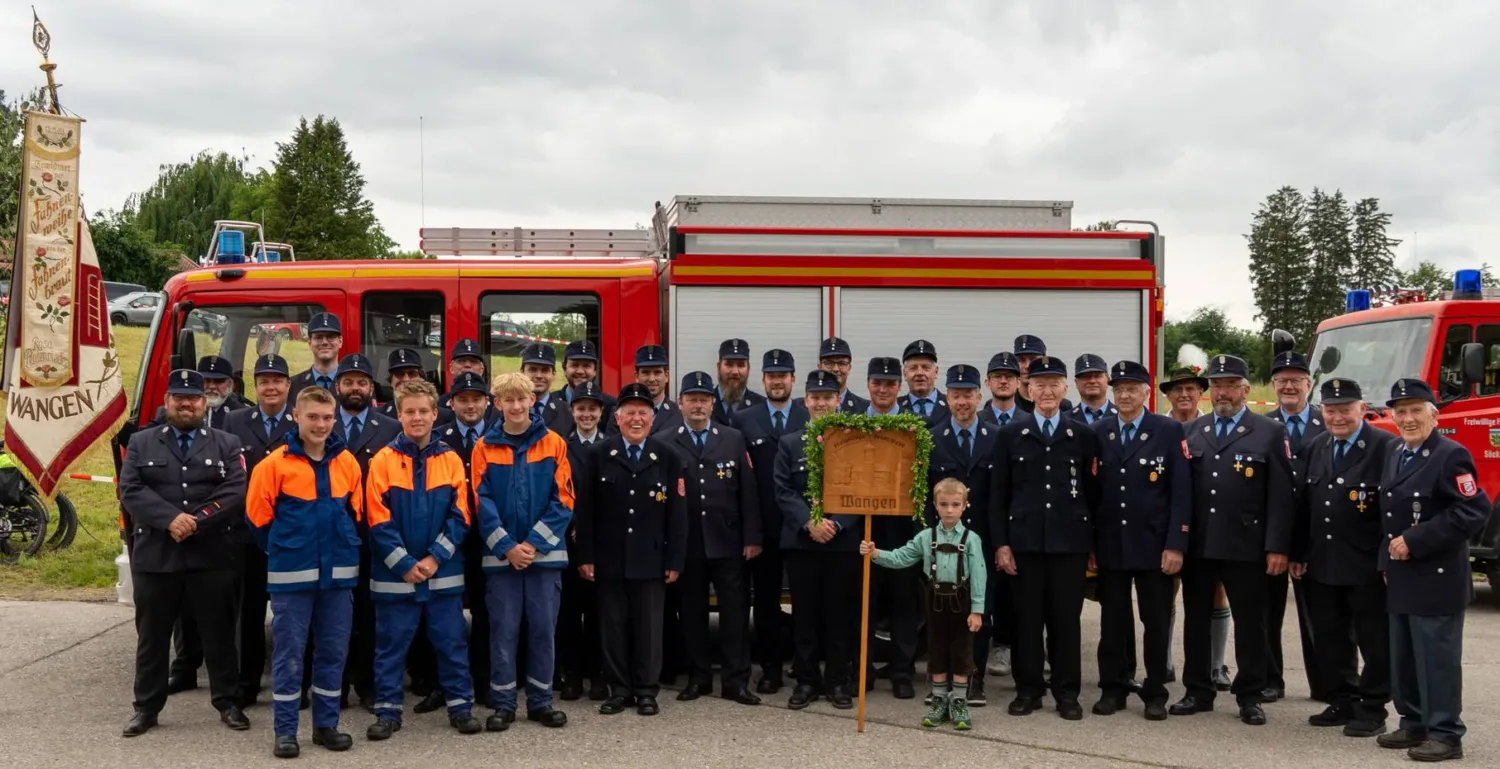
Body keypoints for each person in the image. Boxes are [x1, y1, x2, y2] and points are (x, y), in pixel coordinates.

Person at [118, 369, 249, 738]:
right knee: (152, 637)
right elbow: (130, 489)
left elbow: (235, 489)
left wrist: (195, 520)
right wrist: (170, 518)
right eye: (179, 397)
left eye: (193, 398)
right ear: (167, 402)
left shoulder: (226, 442)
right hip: (158, 554)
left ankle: (228, 702)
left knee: (220, 634)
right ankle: (146, 707)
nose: (186, 403)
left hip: (211, 553)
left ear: (203, 403)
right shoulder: (143, 442)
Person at [1172, 354, 1295, 727]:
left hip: (1247, 546)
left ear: (1245, 389)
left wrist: (1278, 546)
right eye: (1217, 385)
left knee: (1251, 622)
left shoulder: (1269, 431)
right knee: (1196, 619)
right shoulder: (1194, 430)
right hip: (1201, 545)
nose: (1223, 392)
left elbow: (1282, 495)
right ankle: (1197, 689)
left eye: (1230, 385)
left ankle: (1250, 694)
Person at [246, 386, 364, 758]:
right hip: (291, 577)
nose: (321, 425)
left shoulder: (347, 463)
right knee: (289, 655)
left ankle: (326, 726)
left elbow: (356, 515)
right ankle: (285, 731)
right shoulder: (273, 465)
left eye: (328, 417)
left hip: (338, 578)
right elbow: (256, 520)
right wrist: (286, 551)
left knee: (333, 653)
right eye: (313, 417)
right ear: (296, 417)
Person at [1376, 378, 1490, 762]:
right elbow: (1388, 515)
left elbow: (1474, 509)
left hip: (1437, 576)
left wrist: (1417, 540)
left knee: (1436, 660)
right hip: (1403, 575)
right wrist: (1386, 561)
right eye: (1401, 411)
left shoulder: (1450, 455)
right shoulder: (1395, 451)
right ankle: (1414, 722)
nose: (1407, 419)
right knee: (1405, 656)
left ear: (1434, 415)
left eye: (1415, 411)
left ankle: (1445, 733)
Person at [364, 379, 483, 740]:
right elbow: (376, 517)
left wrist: (434, 558)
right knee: (390, 646)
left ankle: (461, 708)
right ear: (398, 414)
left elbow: (461, 515)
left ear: (436, 413)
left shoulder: (449, 459)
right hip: (394, 576)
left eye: (423, 411)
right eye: (409, 411)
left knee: (451, 643)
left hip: (442, 574)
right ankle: (387, 712)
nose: (417, 417)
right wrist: (404, 563)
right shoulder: (382, 460)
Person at [989, 355, 1100, 720]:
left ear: (1065, 389)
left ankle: (1067, 694)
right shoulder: (1010, 435)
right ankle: (1028, 690)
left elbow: (1092, 492)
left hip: (1069, 544)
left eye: (1055, 383)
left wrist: (1091, 544)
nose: (1048, 390)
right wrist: (1002, 544)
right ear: (1028, 389)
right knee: (1027, 621)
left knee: (1066, 622)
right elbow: (998, 494)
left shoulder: (1081, 435)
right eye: (1040, 384)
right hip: (1024, 545)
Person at [1290, 377, 1398, 739]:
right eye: (1331, 410)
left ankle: (1373, 706)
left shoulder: (1385, 446)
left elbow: (1391, 510)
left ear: (1362, 410)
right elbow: (1305, 506)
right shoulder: (1318, 446)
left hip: (1366, 563)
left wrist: (1386, 559)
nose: (1337, 418)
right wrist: (1298, 552)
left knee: (1373, 638)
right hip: (1322, 560)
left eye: (1345, 410)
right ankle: (1342, 698)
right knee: (1331, 635)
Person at [573, 383, 688, 717]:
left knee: (649, 630)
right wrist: (586, 556)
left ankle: (646, 690)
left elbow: (677, 515)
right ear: (618, 418)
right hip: (609, 559)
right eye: (630, 413)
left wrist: (674, 559)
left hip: (651, 559)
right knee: (613, 627)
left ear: (652, 419)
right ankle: (619, 689)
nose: (636, 419)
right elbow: (586, 512)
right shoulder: (599, 455)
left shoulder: (668, 456)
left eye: (643, 413)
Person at [473, 372, 575, 730]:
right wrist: (507, 546)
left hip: (544, 559)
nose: (516, 406)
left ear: (533, 400)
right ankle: (502, 704)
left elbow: (563, 500)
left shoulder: (554, 444)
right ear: (497, 404)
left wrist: (530, 544)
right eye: (508, 400)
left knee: (543, 630)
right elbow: (479, 502)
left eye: (522, 399)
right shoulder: (483, 446)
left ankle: (540, 702)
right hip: (502, 560)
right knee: (503, 631)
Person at [1091, 360, 1191, 721]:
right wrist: (1092, 545)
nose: (1125, 396)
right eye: (1119, 390)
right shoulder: (1101, 431)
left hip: (1154, 546)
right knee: (1113, 622)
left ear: (1146, 393)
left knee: (1156, 621)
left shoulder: (1166, 430)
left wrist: (1176, 544)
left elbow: (1181, 491)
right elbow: (1094, 492)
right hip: (1112, 544)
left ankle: (1155, 692)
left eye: (1132, 389)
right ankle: (1113, 688)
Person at [667, 371, 763, 705]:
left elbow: (748, 492)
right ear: (680, 403)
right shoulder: (664, 440)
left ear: (713, 403)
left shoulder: (733, 438)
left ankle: (737, 681)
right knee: (691, 614)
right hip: (688, 544)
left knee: (735, 614)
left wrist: (752, 536)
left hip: (729, 541)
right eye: (691, 398)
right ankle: (699, 677)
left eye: (704, 399)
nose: (698, 405)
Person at [160, 354, 253, 696]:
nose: (213, 386)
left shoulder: (239, 417)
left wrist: (204, 517)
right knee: (183, 609)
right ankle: (185, 666)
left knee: (223, 610)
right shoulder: (165, 419)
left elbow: (234, 478)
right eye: (207, 381)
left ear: (231, 385)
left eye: (219, 381)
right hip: (179, 526)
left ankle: (227, 682)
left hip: (222, 525)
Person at [863, 478, 987, 730]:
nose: (949, 510)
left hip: (961, 601)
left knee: (962, 651)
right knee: (937, 649)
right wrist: (876, 554)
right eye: (944, 504)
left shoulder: (971, 538)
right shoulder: (925, 537)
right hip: (935, 600)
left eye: (955, 504)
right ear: (935, 505)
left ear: (965, 506)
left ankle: (959, 701)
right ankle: (939, 700)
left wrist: (977, 610)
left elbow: (980, 575)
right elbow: (901, 557)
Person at [776, 370, 861, 710]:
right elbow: (782, 490)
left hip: (842, 544)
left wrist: (837, 525)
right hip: (803, 542)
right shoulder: (790, 442)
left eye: (829, 397)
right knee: (805, 616)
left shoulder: (854, 442)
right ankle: (807, 681)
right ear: (805, 400)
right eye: (816, 397)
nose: (822, 403)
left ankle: (837, 681)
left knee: (840, 615)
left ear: (838, 400)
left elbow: (862, 491)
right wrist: (810, 522)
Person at [922, 365, 997, 707]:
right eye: (956, 395)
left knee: (979, 613)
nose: (963, 401)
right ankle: (939, 681)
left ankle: (974, 678)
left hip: (981, 543)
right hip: (942, 546)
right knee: (941, 617)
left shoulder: (996, 437)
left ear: (979, 396)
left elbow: (1002, 495)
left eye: (969, 394)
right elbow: (922, 496)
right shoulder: (931, 437)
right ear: (946, 397)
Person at [735, 348, 808, 695]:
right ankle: (770, 670)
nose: (777, 381)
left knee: (806, 600)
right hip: (762, 527)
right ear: (762, 379)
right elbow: (741, 481)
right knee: (764, 603)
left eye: (784, 375)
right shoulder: (743, 419)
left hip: (803, 528)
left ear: (793, 379)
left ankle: (805, 668)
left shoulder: (811, 416)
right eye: (771, 375)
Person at [332, 353, 402, 709]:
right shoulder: (322, 424)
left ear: (371, 389)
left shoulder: (389, 429)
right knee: (333, 617)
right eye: (348, 382)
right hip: (332, 536)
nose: (355, 388)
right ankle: (335, 686)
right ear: (337, 386)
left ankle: (369, 686)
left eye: (361, 382)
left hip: (374, 535)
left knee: (371, 615)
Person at [1265, 350, 1326, 702]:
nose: (1289, 386)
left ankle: (1323, 682)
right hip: (1272, 533)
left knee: (1319, 615)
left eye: (1296, 380)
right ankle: (1272, 680)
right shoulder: (1262, 425)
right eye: (1282, 380)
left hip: (1316, 536)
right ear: (1274, 386)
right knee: (1268, 613)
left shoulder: (1327, 422)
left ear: (1309, 384)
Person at [433, 371, 498, 704]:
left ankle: (484, 683)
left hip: (489, 540)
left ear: (487, 403)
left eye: (477, 399)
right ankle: (441, 686)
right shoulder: (437, 438)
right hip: (449, 539)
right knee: (445, 616)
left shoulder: (500, 436)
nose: (470, 405)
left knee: (486, 614)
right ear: (451, 403)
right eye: (463, 399)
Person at [860, 355, 920, 698]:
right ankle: (864, 669)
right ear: (868, 385)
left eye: (890, 384)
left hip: (902, 532)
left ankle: (902, 672)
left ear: (900, 387)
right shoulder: (849, 426)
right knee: (865, 604)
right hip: (864, 530)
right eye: (877, 383)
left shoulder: (915, 429)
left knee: (903, 606)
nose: (883, 389)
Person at [1160, 365, 1215, 688]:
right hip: (1169, 524)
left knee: (1215, 596)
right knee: (1169, 590)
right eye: (1177, 389)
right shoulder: (1159, 427)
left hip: (1208, 524)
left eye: (1191, 389)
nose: (1184, 395)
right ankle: (1165, 661)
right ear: (1167, 394)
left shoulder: (1212, 426)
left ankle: (1216, 665)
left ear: (1200, 393)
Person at [557, 381, 608, 701]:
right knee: (569, 611)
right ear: (571, 411)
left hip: (604, 542)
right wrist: (575, 525)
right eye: (581, 408)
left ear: (602, 412)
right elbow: (558, 491)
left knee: (601, 611)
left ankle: (599, 674)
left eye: (592, 408)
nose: (586, 414)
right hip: (569, 540)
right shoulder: (559, 446)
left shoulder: (613, 445)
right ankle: (572, 675)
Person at [979, 351, 1026, 679]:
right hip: (982, 520)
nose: (1004, 380)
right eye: (997, 375)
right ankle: (991, 644)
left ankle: (1015, 646)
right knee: (987, 590)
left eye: (1009, 375)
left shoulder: (1031, 421)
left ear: (1019, 381)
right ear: (987, 383)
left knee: (1017, 592)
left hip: (1019, 522)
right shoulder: (975, 420)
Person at [552, 340, 617, 436]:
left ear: (595, 370)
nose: (580, 371)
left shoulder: (612, 406)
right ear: (564, 368)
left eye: (586, 366)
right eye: (574, 365)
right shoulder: (550, 402)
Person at [288, 312, 344, 400]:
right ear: (309, 342)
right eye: (318, 337)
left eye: (330, 337)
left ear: (340, 341)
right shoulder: (292, 386)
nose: (324, 342)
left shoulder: (352, 385)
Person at [712, 338, 765, 425]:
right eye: (729, 364)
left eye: (741, 365)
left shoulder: (762, 406)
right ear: (718, 367)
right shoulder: (703, 403)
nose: (735, 372)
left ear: (748, 368)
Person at [633, 344, 683, 435]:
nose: (652, 379)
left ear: (666, 376)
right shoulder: (620, 413)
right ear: (636, 377)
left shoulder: (680, 414)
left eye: (657, 372)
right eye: (646, 372)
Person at [897, 339, 949, 426]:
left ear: (936, 372)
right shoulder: (895, 408)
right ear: (904, 374)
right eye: (913, 368)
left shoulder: (952, 406)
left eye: (926, 367)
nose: (920, 373)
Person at [520, 342, 570, 428]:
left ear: (553, 374)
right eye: (532, 369)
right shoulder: (506, 409)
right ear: (522, 372)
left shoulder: (566, 411)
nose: (539, 376)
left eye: (545, 370)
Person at [818, 336, 870, 413]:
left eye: (842, 363)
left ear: (849, 368)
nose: (836, 369)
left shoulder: (866, 409)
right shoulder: (804, 409)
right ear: (819, 367)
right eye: (829, 363)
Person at [438, 338, 487, 411]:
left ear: (481, 369)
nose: (467, 365)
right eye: (461, 361)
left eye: (473, 361)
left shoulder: (495, 405)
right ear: (451, 368)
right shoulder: (438, 404)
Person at [1070, 354, 1117, 425]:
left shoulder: (1123, 416)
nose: (1092, 381)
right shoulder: (1064, 420)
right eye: (1085, 376)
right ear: (1076, 383)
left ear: (1108, 380)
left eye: (1097, 376)